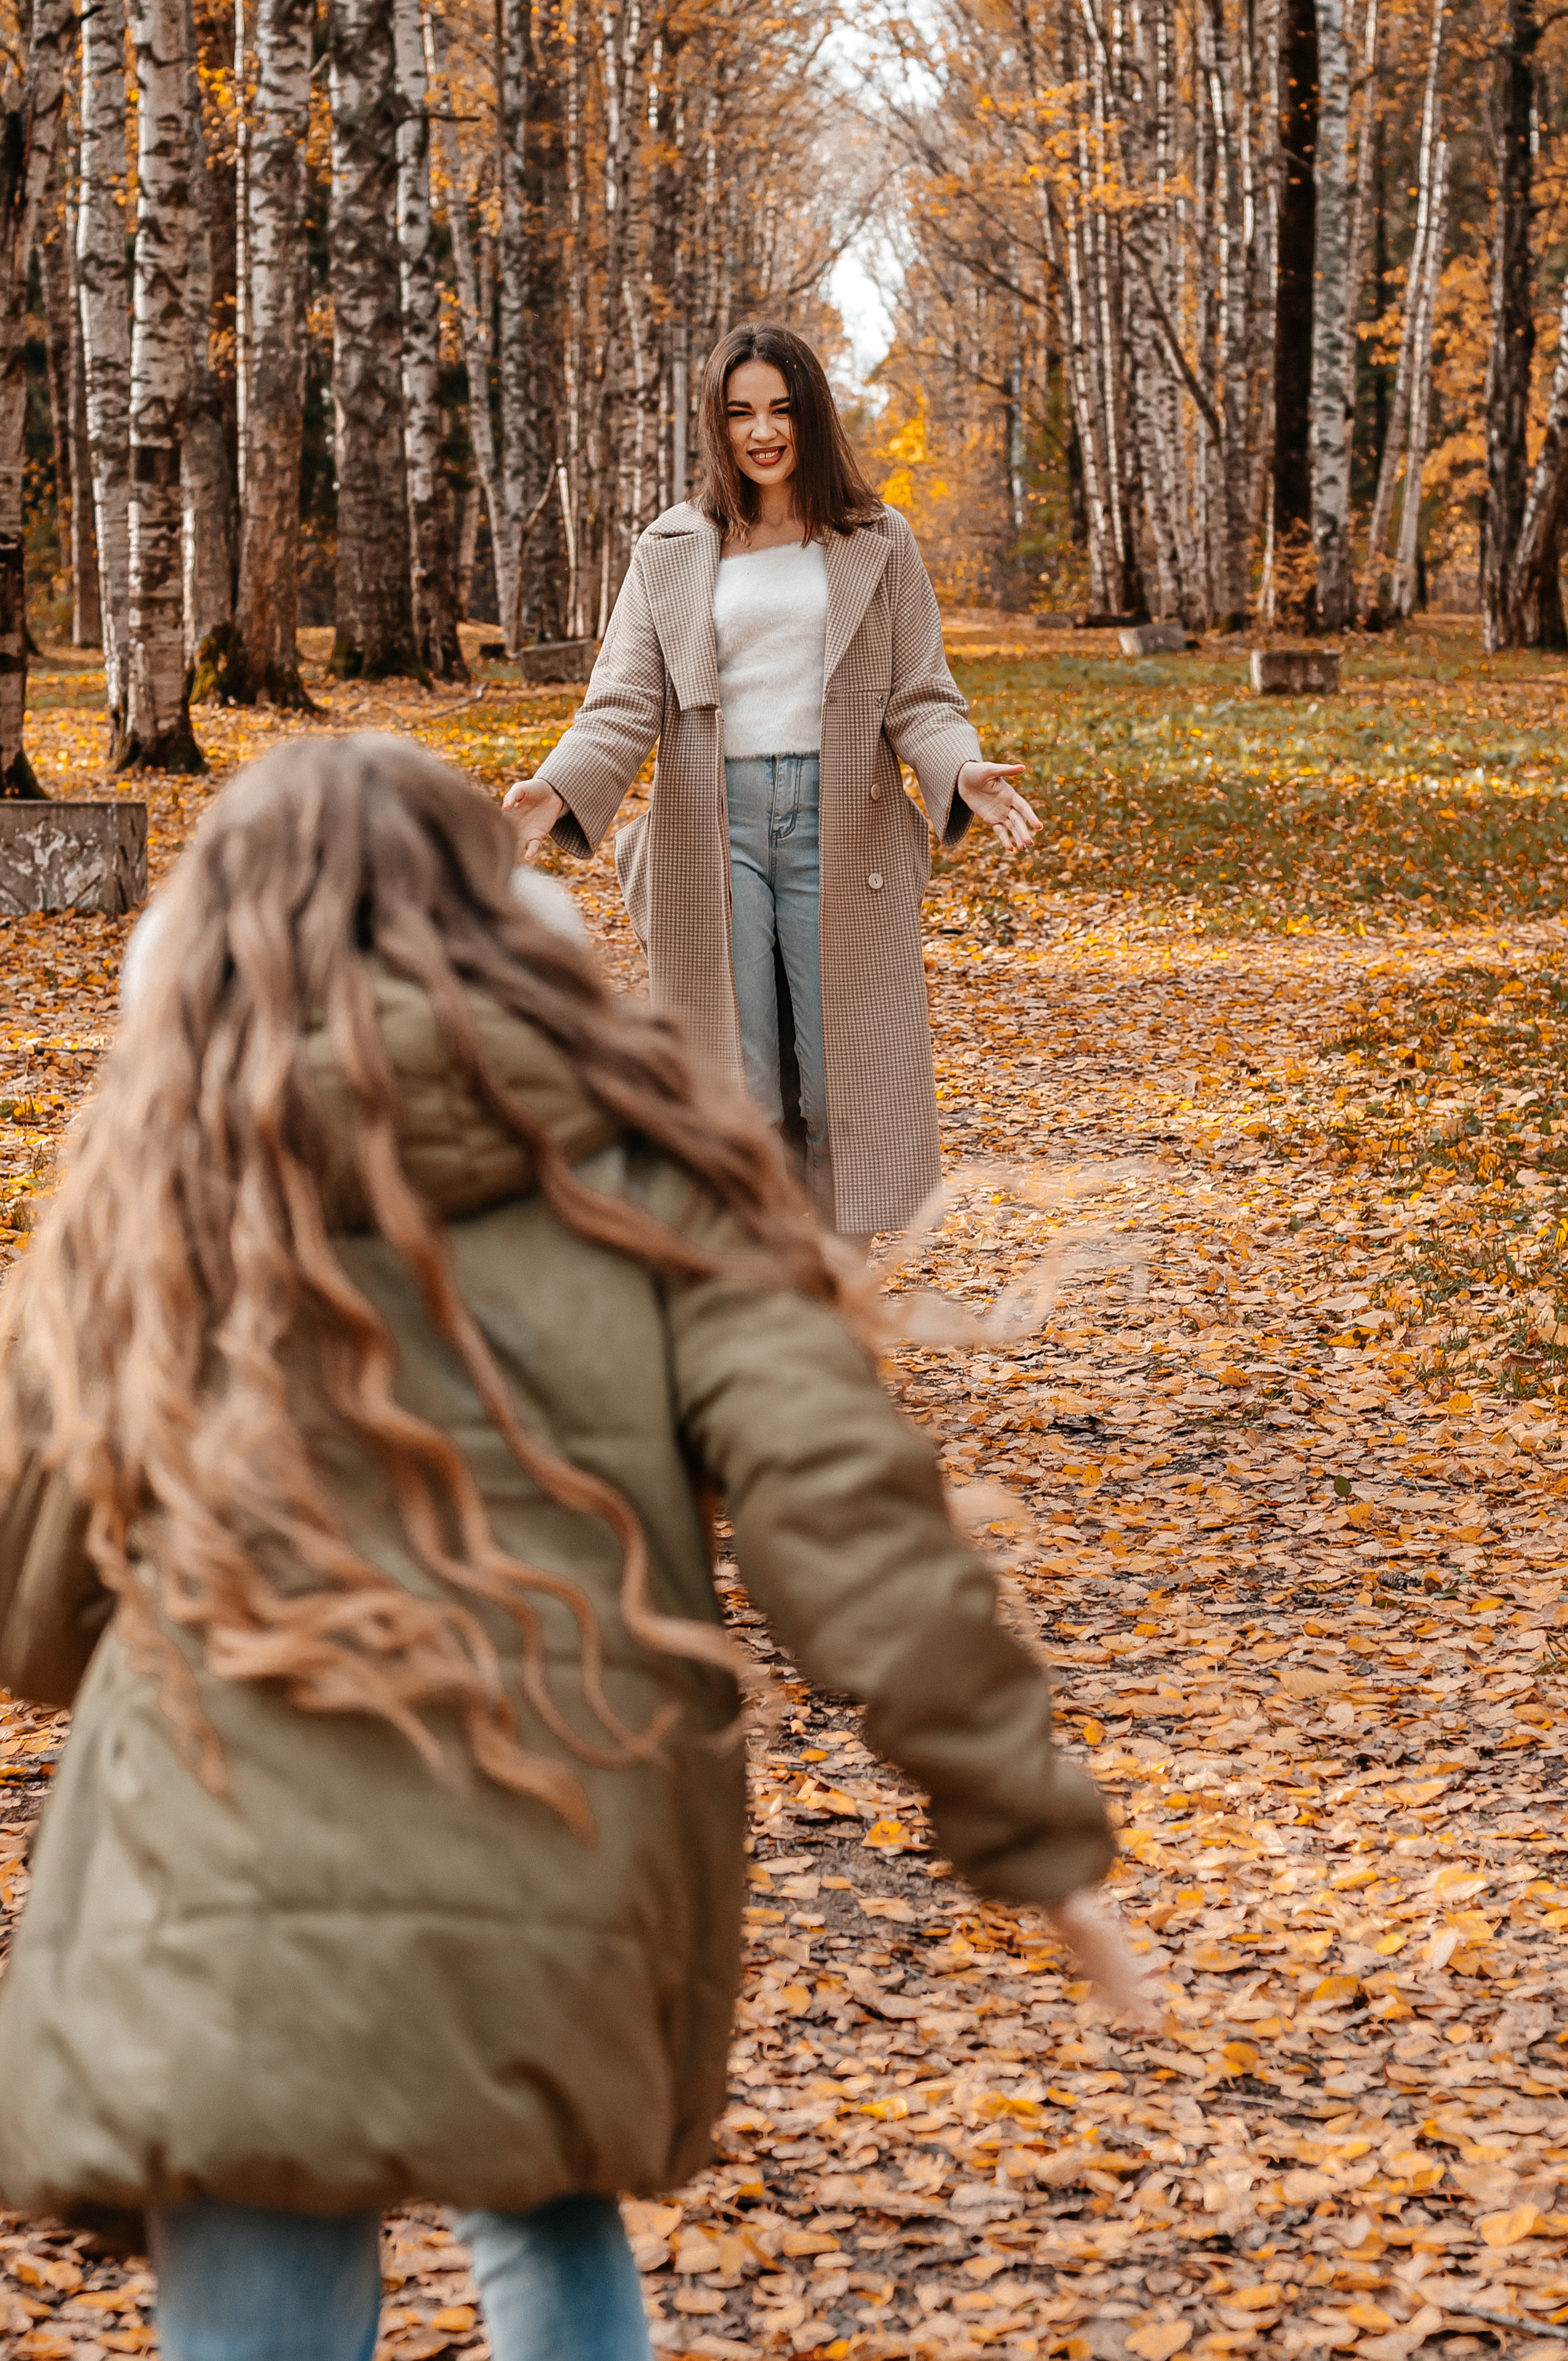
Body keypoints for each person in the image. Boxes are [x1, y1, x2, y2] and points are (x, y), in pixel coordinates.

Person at [0, 736, 1136, 2361]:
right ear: (498, 914)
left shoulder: (152, 1197)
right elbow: (847, 1506)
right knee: (547, 2211)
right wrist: (1024, 1827)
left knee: (258, 2228)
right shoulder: (649, 1169)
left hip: (213, 1858)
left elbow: (36, 1618)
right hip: (566, 1815)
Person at [503, 320, 1040, 1237]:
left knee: (842, 1084)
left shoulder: (878, 539)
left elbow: (920, 695)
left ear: (812, 417)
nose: (763, 432)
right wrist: (552, 790)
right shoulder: (671, 549)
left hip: (845, 825)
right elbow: (624, 702)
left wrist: (960, 768)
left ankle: (839, 1297)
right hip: (715, 828)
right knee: (739, 1081)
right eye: (741, 411)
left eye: (782, 410)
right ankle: (759, 1296)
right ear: (717, 422)